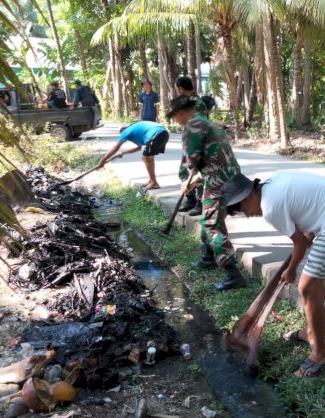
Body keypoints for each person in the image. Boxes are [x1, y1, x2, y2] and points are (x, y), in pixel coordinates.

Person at [222, 172, 325, 377]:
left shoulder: (270, 207)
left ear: (249, 196)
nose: (248, 214)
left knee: (306, 286)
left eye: (242, 208)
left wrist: (291, 269)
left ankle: (322, 354)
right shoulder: (273, 187)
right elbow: (307, 212)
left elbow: (300, 243)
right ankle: (311, 333)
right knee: (314, 284)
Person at [166, 95, 245, 291]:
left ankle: (233, 274)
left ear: (182, 113)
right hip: (233, 178)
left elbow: (191, 161)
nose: (177, 121)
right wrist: (193, 181)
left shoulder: (192, 126)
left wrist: (188, 182)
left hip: (218, 182)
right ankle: (207, 258)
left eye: (176, 117)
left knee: (212, 225)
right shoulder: (208, 123)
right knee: (209, 219)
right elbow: (209, 159)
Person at [96, 121, 170, 192]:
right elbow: (138, 148)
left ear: (123, 129)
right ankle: (151, 180)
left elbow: (115, 147)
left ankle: (154, 183)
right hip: (163, 133)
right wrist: (124, 153)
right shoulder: (134, 131)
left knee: (146, 157)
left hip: (156, 134)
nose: (123, 137)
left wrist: (102, 161)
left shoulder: (126, 131)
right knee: (149, 157)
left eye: (121, 133)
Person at [174, 75, 208, 216]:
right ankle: (190, 200)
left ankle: (200, 203)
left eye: (177, 89)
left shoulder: (197, 103)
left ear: (181, 89)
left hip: (196, 143)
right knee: (183, 171)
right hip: (188, 143)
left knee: (197, 173)